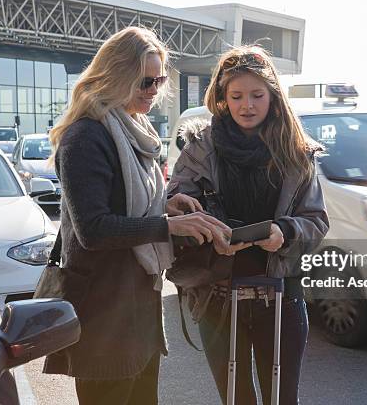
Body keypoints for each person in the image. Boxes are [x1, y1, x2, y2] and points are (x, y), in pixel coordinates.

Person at [43, 27, 232, 405]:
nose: (154, 89)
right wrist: (168, 225)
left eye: (160, 80)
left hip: (138, 304)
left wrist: (165, 206)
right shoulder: (86, 136)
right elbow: (93, 229)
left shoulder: (137, 129)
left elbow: (127, 205)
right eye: (145, 81)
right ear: (117, 76)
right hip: (104, 308)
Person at [168, 46, 329, 405]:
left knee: (282, 399)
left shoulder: (297, 151)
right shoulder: (199, 149)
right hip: (218, 297)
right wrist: (208, 234)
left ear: (273, 96)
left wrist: (284, 232)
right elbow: (176, 211)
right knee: (236, 399)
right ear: (222, 98)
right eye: (237, 96)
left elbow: (316, 222)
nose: (247, 105)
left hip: (282, 296)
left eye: (257, 95)